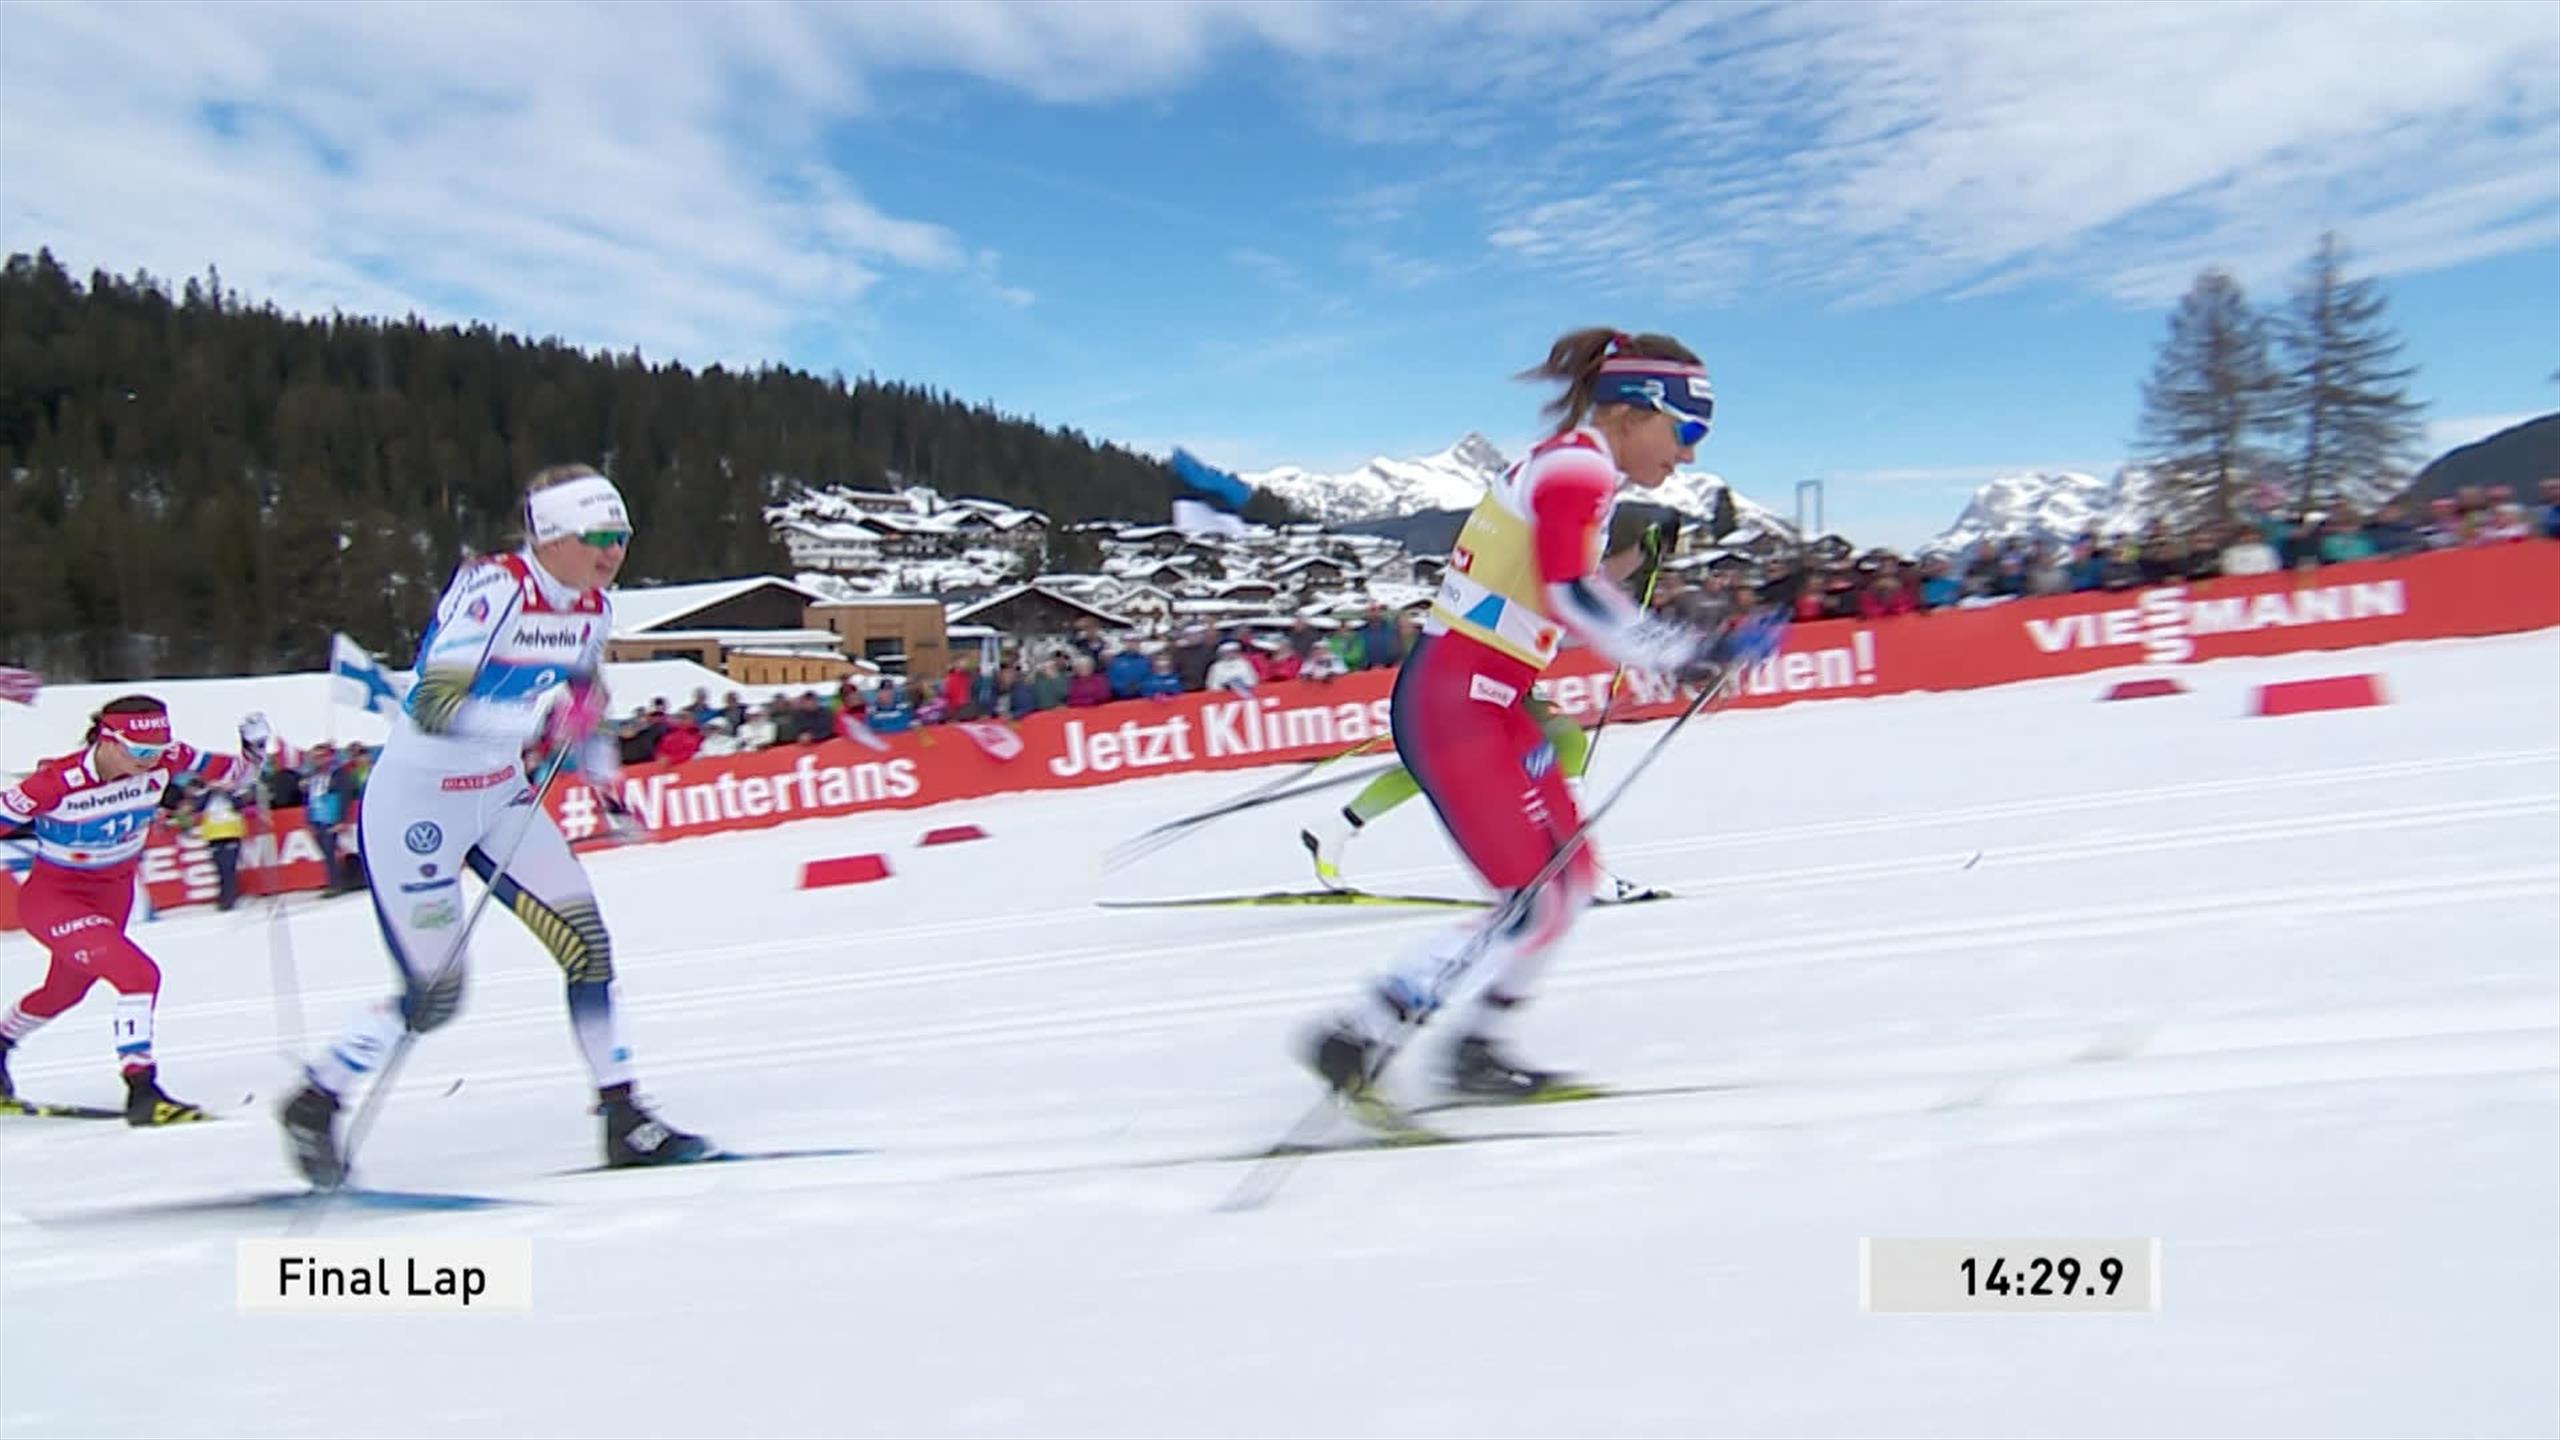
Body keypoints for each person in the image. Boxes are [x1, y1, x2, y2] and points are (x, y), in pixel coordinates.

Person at [1297, 327, 1782, 1104]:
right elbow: (1570, 592)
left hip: (1490, 697)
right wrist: (1680, 651)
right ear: (1633, 411)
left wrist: (1691, 644)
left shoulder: (1572, 466)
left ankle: (1476, 1047)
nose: (1688, 454)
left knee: (1571, 880)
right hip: (1460, 700)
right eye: (1685, 431)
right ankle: (1363, 1028)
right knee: (1534, 896)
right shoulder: (1579, 468)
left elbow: (1571, 585)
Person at [278, 463, 708, 1186]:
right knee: (435, 998)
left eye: (623, 535)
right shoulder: (496, 586)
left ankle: (624, 1117)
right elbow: (432, 704)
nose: (614, 552)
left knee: (589, 952)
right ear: (553, 536)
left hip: (501, 799)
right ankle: (315, 1099)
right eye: (599, 535)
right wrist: (534, 717)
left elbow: (583, 707)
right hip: (419, 808)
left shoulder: (594, 610)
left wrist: (603, 782)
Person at [1298, 520, 1680, 904]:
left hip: (1492, 666)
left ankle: (1337, 827)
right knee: (1562, 741)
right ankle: (1572, 862)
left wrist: (1641, 559)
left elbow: (1582, 591)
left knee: (1440, 764)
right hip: (1479, 666)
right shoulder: (1528, 548)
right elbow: (1571, 600)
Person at [0, 696, 267, 1123]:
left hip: (113, 895)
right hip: (56, 899)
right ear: (107, 741)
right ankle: (142, 1091)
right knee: (138, 975)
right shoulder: (54, 782)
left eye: (159, 751)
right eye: (141, 752)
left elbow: (238, 778)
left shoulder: (168, 757)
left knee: (64, 993)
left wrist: (254, 749)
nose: (152, 762)